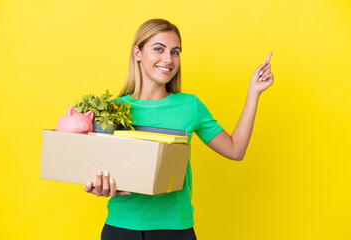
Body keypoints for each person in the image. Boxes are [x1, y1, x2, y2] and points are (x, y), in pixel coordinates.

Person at [84, 18, 274, 240]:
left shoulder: (189, 106)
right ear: (138, 53)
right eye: (159, 49)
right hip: (121, 228)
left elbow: (235, 150)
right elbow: (96, 166)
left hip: (175, 230)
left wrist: (254, 93)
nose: (168, 59)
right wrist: (97, 184)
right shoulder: (112, 110)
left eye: (175, 52)